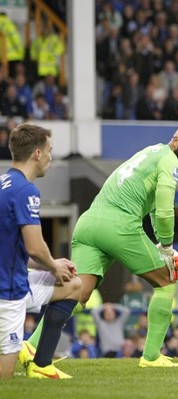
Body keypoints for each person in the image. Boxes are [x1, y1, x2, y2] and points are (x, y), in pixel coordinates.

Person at [22, 124, 178, 368]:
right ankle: (151, 357)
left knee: (77, 293)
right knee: (168, 280)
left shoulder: (150, 153)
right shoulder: (170, 161)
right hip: (119, 225)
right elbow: (163, 209)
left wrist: (161, 244)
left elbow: (150, 209)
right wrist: (168, 249)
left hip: (88, 223)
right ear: (175, 142)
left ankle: (31, 345)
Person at [0, 123, 80, 379]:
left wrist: (49, 264)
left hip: (13, 279)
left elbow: (13, 245)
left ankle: (41, 364)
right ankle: (36, 362)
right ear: (36, 153)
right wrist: (53, 266)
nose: (50, 157)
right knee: (5, 381)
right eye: (49, 150)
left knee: (73, 284)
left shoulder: (3, 183)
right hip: (8, 294)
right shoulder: (26, 191)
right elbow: (34, 247)